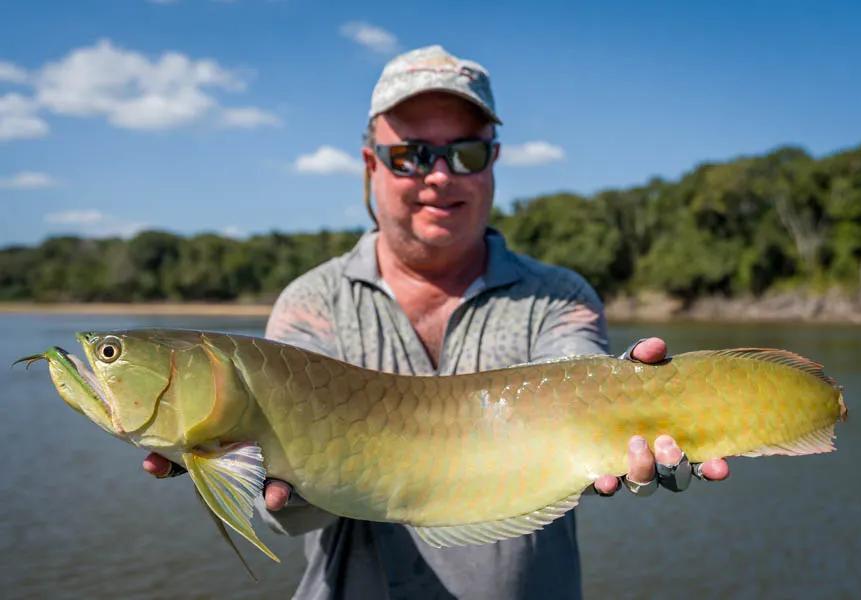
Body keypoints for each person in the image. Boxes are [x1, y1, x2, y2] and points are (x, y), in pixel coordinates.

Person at [143, 45, 729, 599]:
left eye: (465, 153)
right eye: (411, 155)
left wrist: (638, 408)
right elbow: (294, 514)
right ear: (371, 164)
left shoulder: (559, 296)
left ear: (493, 162)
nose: (440, 175)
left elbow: (575, 393)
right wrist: (258, 480)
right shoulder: (311, 302)